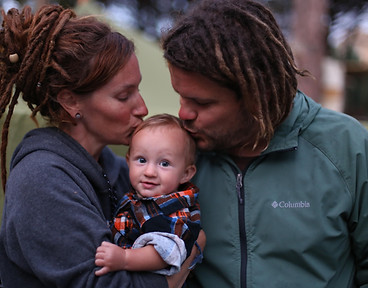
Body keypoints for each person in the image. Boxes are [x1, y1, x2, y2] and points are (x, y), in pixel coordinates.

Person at [161, 0, 368, 287]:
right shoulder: (177, 153)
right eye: (181, 96)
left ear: (257, 95)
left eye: (201, 103)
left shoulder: (346, 146)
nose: (184, 113)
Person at [0, 4, 204, 288]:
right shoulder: (41, 182)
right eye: (124, 96)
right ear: (71, 102)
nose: (142, 108)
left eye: (138, 89)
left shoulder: (117, 169)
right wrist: (190, 251)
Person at [95, 114, 202, 277]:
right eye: (142, 160)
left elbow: (167, 251)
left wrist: (125, 258)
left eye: (164, 163)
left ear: (186, 173)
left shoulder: (174, 210)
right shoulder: (137, 198)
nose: (149, 172)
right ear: (128, 161)